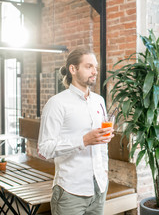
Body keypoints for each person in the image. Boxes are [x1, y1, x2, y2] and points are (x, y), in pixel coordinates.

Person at [37, 48, 114, 215]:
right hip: (70, 191)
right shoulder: (56, 103)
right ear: (73, 69)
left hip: (99, 187)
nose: (94, 71)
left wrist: (104, 171)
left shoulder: (99, 101)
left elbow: (102, 143)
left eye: (95, 67)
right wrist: (84, 141)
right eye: (89, 66)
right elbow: (44, 148)